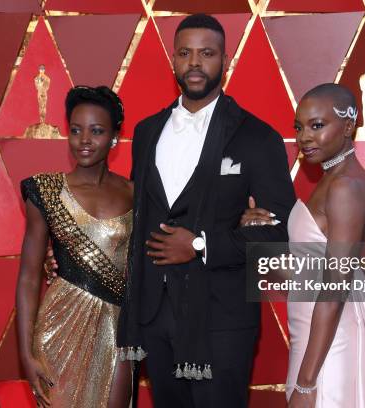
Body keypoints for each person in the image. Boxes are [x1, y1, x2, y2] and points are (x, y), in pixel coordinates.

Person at [115, 13, 296, 408]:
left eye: (207, 53)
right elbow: (136, 216)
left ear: (225, 61)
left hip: (221, 318)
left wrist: (199, 244)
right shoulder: (147, 132)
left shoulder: (256, 136)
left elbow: (278, 234)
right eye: (185, 53)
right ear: (174, 61)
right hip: (154, 314)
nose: (195, 62)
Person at [241, 83, 365, 407]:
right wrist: (256, 235)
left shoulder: (345, 186)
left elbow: (333, 291)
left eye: (317, 125)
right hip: (314, 335)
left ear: (348, 127)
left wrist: (306, 384)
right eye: (299, 127)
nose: (304, 137)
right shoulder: (332, 179)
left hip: (331, 342)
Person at [15, 86, 133, 408]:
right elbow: (28, 278)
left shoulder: (136, 193)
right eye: (76, 130)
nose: (84, 140)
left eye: (96, 131)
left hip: (116, 330)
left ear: (114, 137)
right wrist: (26, 354)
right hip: (56, 329)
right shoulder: (46, 190)